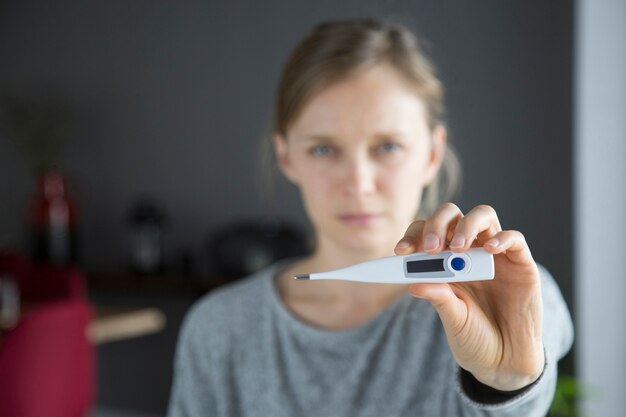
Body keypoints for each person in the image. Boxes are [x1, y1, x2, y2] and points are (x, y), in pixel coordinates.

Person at [168, 19, 573, 417]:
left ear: (432, 154)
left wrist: (505, 384)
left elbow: (519, 394)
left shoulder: (510, 292)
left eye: (388, 147)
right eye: (324, 150)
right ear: (286, 155)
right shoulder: (219, 328)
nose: (358, 184)